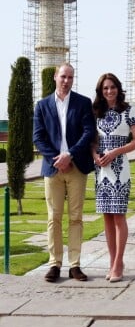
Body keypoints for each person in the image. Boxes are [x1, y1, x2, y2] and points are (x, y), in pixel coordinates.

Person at [33, 63, 96, 282]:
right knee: (54, 217)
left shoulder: (82, 103)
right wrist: (56, 159)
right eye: (63, 76)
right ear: (55, 77)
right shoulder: (42, 105)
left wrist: (69, 154)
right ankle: (54, 264)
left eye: (70, 77)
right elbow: (38, 137)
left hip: (76, 167)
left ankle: (75, 265)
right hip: (53, 169)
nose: (66, 80)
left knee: (76, 217)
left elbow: (88, 132)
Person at [92, 73, 135, 283]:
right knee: (107, 217)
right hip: (101, 170)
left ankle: (119, 263)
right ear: (101, 92)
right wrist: (95, 156)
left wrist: (115, 152)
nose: (109, 91)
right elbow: (92, 141)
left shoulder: (129, 111)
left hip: (120, 169)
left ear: (118, 89)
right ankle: (112, 261)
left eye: (112, 87)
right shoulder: (96, 113)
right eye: (105, 88)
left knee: (119, 216)